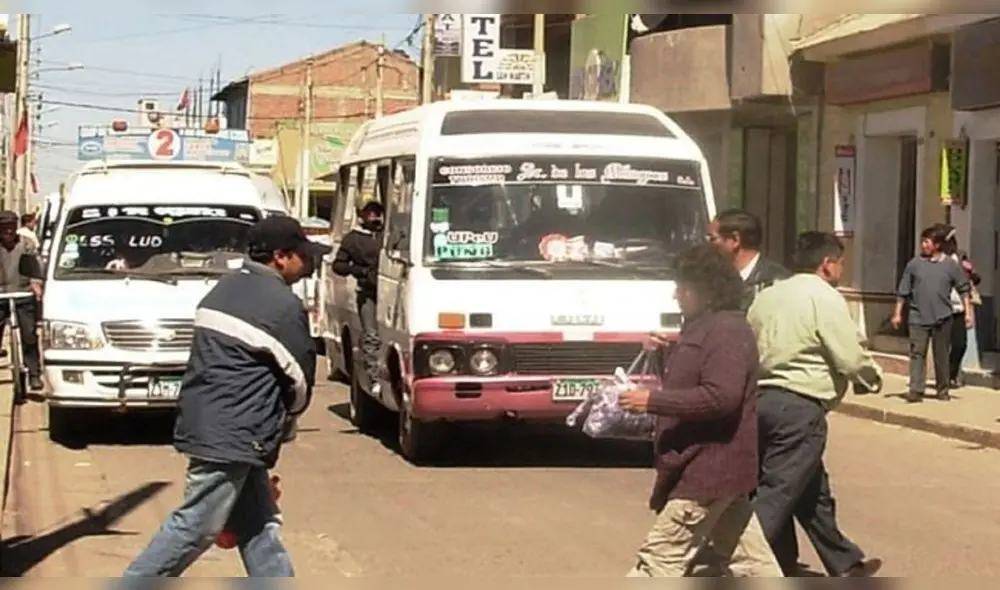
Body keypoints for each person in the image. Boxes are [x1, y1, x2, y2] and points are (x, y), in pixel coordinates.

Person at [121, 216, 329, 578]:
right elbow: (299, 382)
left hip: (209, 423)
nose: (308, 262)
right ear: (280, 256)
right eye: (302, 254)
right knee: (196, 526)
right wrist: (286, 419)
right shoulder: (281, 304)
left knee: (258, 525)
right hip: (236, 433)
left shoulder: (224, 289)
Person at [619, 243, 782, 577]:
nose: (677, 295)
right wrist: (666, 352)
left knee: (658, 562)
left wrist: (651, 401)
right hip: (714, 471)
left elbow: (720, 397)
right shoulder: (704, 327)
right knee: (752, 564)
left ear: (707, 289)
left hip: (708, 469)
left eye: (684, 287)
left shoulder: (728, 330)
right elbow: (694, 377)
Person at [746, 231, 883, 577]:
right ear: (827, 264)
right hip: (800, 406)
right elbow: (850, 357)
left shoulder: (767, 296)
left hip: (762, 400)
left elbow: (748, 344)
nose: (840, 270)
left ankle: (844, 562)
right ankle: (740, 560)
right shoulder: (824, 297)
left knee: (811, 492)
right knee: (778, 491)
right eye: (840, 263)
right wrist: (871, 377)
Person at [891, 225, 972, 402]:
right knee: (917, 353)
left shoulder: (950, 265)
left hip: (943, 317)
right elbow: (903, 290)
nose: (923, 244)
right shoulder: (914, 264)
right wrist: (897, 313)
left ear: (937, 245)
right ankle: (916, 389)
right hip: (917, 316)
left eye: (927, 241)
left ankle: (942, 389)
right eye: (923, 241)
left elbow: (964, 289)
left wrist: (968, 313)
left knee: (941, 354)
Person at [332, 201, 384, 394]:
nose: (373, 216)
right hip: (367, 292)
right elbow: (338, 265)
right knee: (371, 335)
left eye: (376, 212)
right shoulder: (352, 239)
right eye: (369, 213)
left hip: (390, 292)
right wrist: (360, 271)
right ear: (361, 215)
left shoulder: (387, 235)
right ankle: (374, 377)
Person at [708, 209, 790, 308]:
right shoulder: (713, 280)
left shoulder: (777, 282)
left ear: (735, 240)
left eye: (712, 239)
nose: (708, 245)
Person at [0, 211, 43, 391]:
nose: (8, 232)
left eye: (11, 227)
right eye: (4, 228)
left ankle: (34, 374)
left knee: (29, 335)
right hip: (0, 295)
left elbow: (35, 267)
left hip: (23, 294)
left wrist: (36, 284)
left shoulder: (26, 244)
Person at [939, 226, 980, 389]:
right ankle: (946, 378)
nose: (951, 245)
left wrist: (970, 270)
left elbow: (976, 279)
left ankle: (950, 374)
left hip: (960, 307)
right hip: (943, 306)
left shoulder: (961, 256)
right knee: (943, 345)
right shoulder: (938, 260)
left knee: (960, 344)